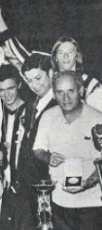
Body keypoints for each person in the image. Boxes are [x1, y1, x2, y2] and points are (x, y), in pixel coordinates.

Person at [33, 71, 102, 230]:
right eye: (60, 92)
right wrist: (47, 157)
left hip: (91, 203)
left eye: (71, 91)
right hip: (59, 202)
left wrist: (88, 183)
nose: (66, 98)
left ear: (80, 90)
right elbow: (38, 149)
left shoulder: (98, 118)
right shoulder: (47, 116)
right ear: (54, 94)